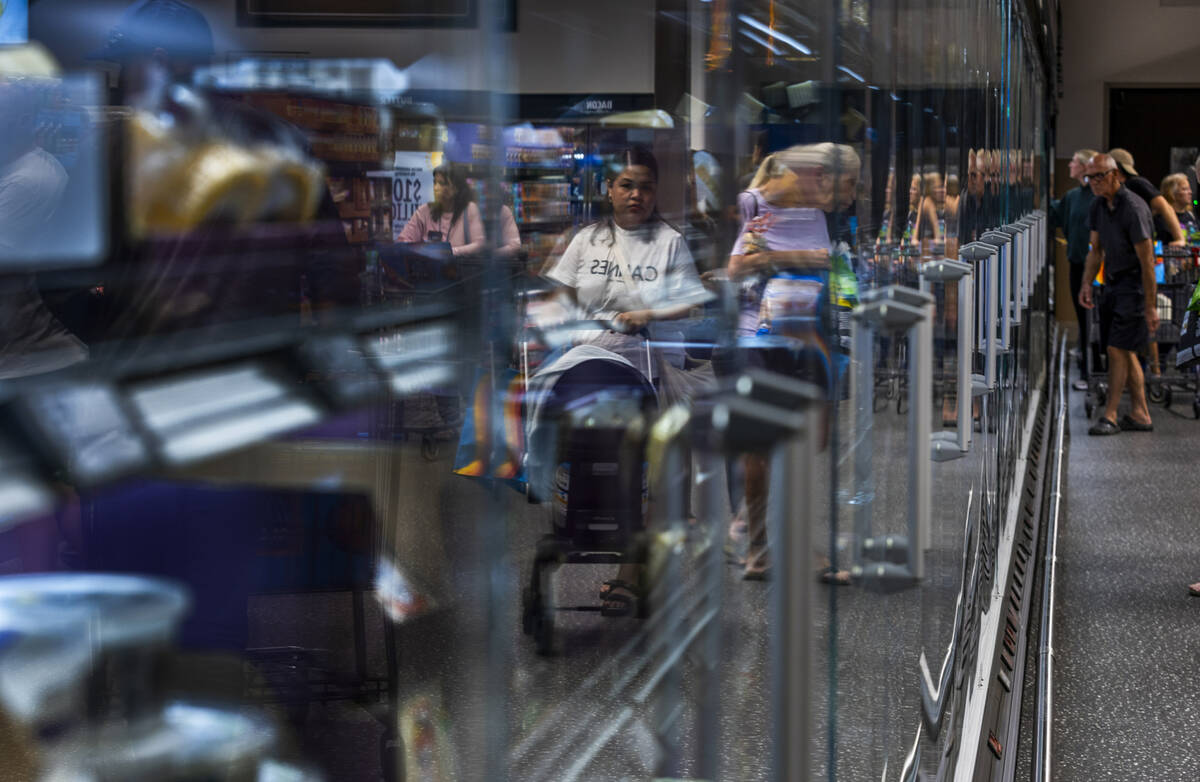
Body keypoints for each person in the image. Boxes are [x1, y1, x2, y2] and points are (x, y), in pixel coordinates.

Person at [542, 145, 709, 612]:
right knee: (578, 449)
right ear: (609, 190)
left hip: (645, 363)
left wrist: (647, 314)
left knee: (645, 468)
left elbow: (690, 303)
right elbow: (560, 296)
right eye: (627, 185)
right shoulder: (587, 240)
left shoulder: (669, 242)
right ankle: (578, 524)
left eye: (646, 187)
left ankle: (629, 574)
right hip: (586, 361)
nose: (637, 195)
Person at [720, 143, 848, 582]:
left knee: (804, 443)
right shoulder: (756, 208)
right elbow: (736, 269)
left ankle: (788, 539)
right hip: (758, 337)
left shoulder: (815, 217)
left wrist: (778, 260)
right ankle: (757, 545)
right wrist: (781, 260)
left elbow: (825, 262)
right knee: (759, 448)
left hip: (803, 337)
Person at [1079, 153, 1158, 435]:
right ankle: (1141, 413)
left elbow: (1147, 262)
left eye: (1099, 176)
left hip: (1133, 286)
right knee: (1126, 351)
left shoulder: (1133, 208)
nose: (1094, 182)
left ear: (1115, 175)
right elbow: (1096, 250)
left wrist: (1150, 305)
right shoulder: (1099, 206)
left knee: (1116, 349)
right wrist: (1086, 283)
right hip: (1112, 283)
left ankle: (1110, 415)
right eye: (1090, 177)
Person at [1051, 148, 1098, 391]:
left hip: (1096, 267)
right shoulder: (1073, 196)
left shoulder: (1096, 197)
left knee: (1091, 318)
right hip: (1077, 262)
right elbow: (1056, 215)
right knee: (1082, 315)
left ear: (1084, 166)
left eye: (1073, 162)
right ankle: (1085, 362)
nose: (1069, 165)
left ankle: (1090, 370)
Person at [397, 163, 486, 257]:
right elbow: (402, 241)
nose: (436, 188)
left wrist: (450, 252)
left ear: (456, 188)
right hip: (430, 264)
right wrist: (422, 250)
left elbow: (479, 244)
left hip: (459, 265)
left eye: (442, 183)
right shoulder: (424, 211)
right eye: (435, 183)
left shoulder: (469, 209)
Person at [1108, 148, 1185, 247]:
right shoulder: (1111, 191)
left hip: (1146, 242)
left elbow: (1165, 207)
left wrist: (1179, 239)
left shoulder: (1136, 183)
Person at [1158, 173, 1197, 243]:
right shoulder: (1162, 218)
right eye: (1185, 189)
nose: (1190, 192)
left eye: (1189, 189)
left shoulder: (1191, 216)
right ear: (1171, 192)